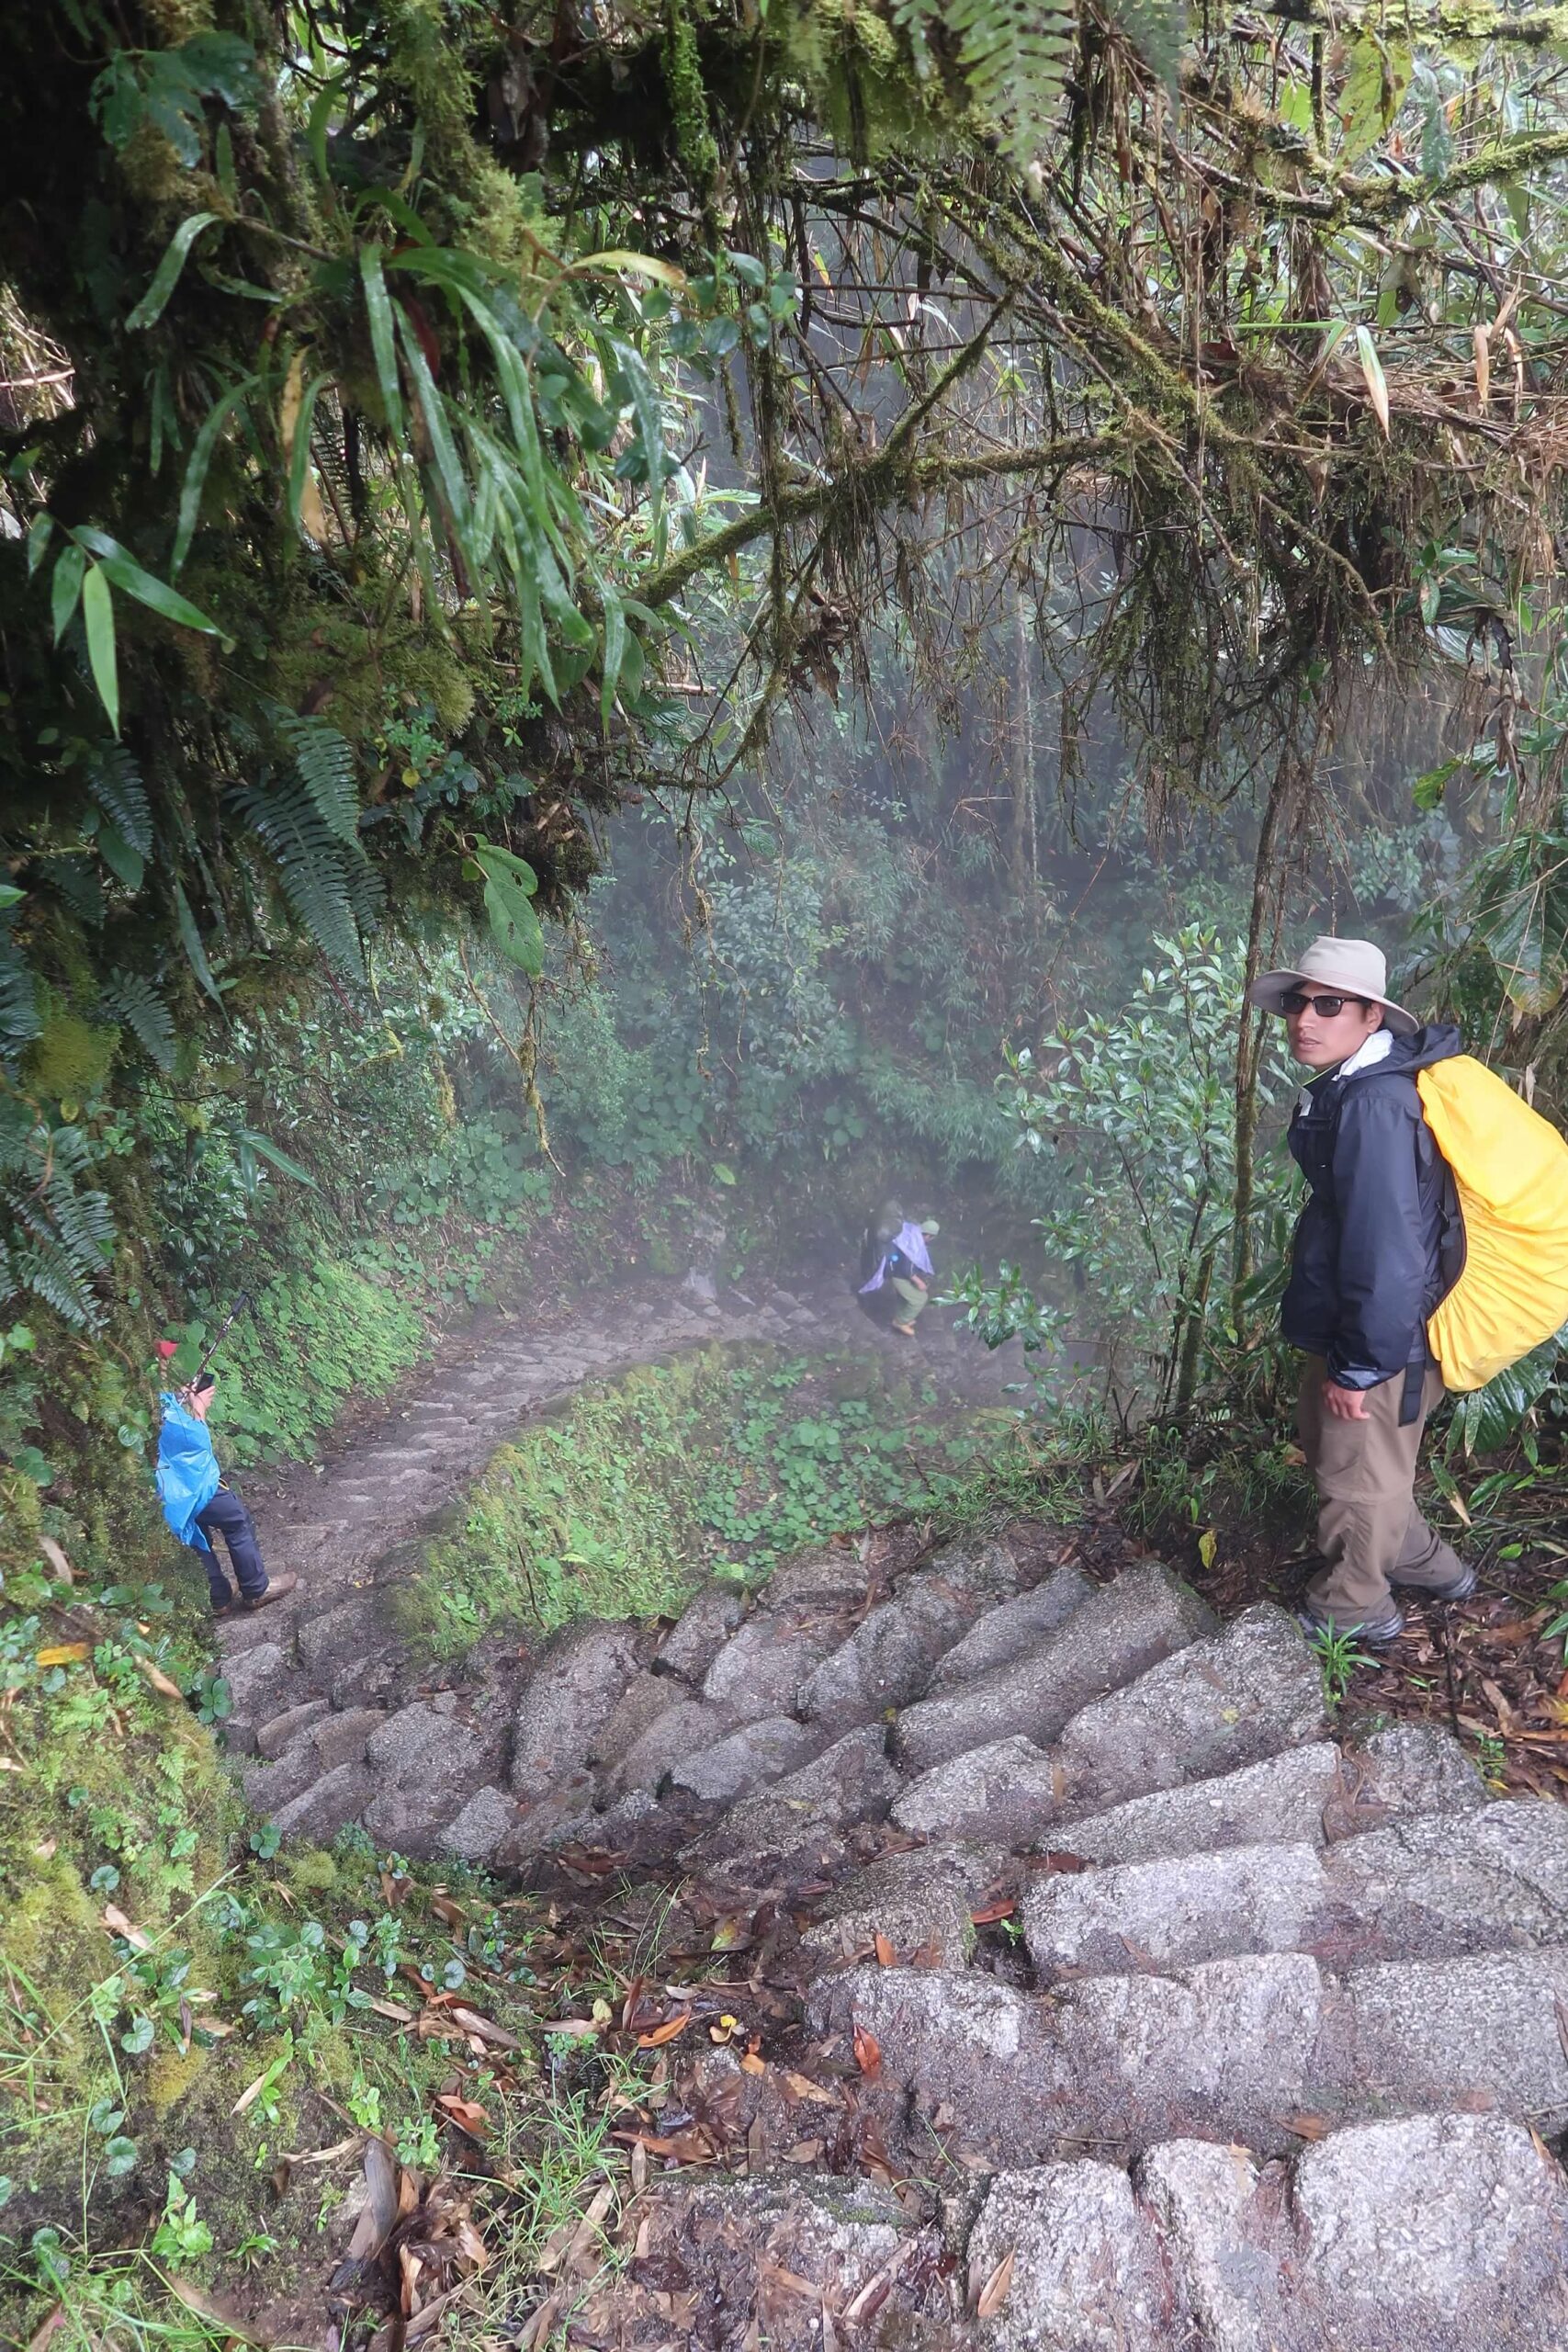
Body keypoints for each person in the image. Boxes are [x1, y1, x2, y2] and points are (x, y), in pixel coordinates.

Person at [1247, 935, 1474, 1645]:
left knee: (1353, 1472)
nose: (1302, 1019)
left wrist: (1360, 1362)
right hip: (1359, 1323)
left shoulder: (1375, 1105)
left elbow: (1386, 1250)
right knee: (1344, 1453)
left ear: (1370, 1017)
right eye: (1295, 1003)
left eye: (1328, 1004)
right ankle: (1424, 1563)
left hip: (1382, 1335)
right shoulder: (1353, 1088)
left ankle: (1353, 1607)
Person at [156, 1371, 299, 1618]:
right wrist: (199, 1410)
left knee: (194, 1535)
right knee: (236, 1519)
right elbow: (194, 1443)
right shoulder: (150, 1400)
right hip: (194, 1485)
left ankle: (218, 1598)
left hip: (168, 1494)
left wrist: (179, 1395)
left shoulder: (135, 1398)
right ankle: (256, 1589)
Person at [858, 1198, 940, 1338]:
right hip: (899, 1275)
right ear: (928, 1235)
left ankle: (903, 1317)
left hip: (896, 1270)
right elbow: (907, 1267)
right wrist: (918, 1282)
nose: (930, 1240)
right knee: (919, 1298)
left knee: (907, 1297)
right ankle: (901, 1322)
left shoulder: (911, 1232)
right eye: (931, 1237)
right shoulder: (914, 1245)